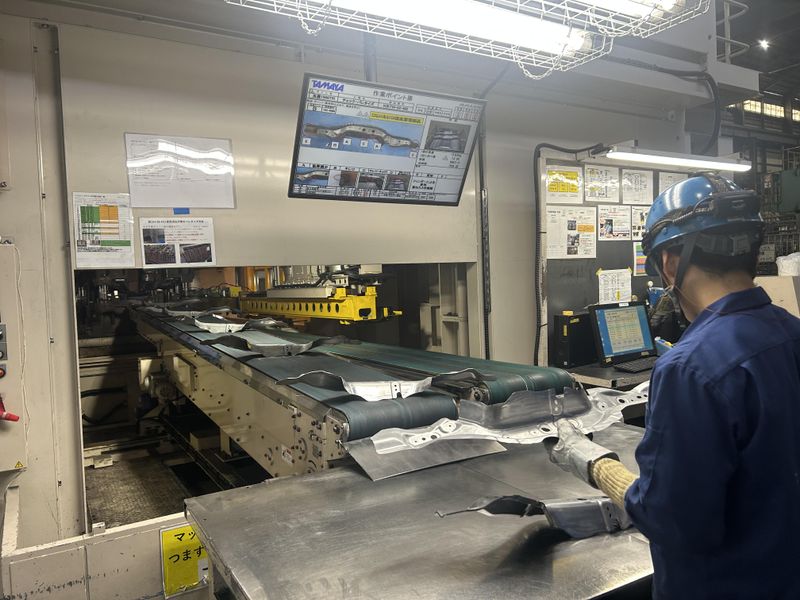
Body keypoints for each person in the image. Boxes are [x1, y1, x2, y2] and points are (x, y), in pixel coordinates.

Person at [546, 174, 800, 599]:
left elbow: (673, 520)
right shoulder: (791, 332)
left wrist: (595, 465)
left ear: (668, 263)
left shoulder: (690, 368)